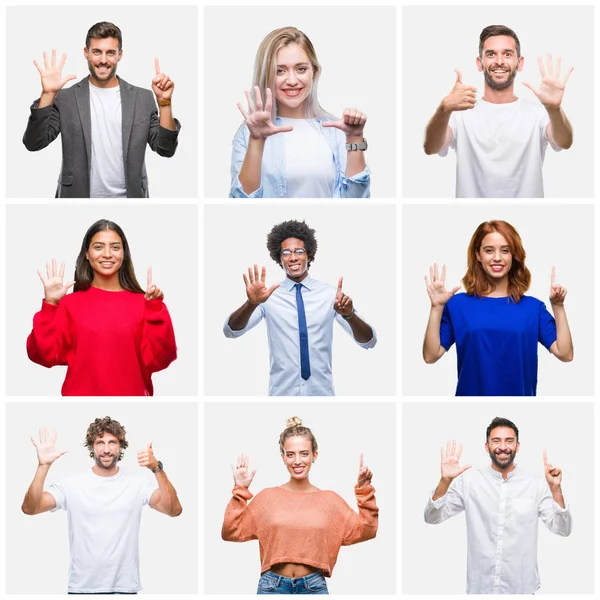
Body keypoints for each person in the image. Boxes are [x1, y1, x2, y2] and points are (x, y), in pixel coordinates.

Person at [22, 417, 182, 594]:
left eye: (112, 442)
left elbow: (173, 510)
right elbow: (31, 508)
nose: (106, 450)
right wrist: (43, 466)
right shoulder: (72, 485)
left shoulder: (137, 484)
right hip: (82, 589)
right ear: (92, 446)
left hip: (125, 588)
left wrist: (156, 469)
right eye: (100, 442)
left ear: (120, 445)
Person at [23, 21, 181, 198]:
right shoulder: (66, 98)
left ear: (119, 55)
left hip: (131, 200)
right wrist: (48, 94)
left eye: (110, 53)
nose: (103, 60)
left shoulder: (142, 98)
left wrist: (165, 103)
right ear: (86, 53)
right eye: (97, 52)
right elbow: (34, 143)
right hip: (77, 199)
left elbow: (166, 149)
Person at [222, 416, 378, 594]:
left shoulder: (330, 501)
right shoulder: (267, 498)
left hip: (313, 587)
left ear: (314, 455)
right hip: (271, 586)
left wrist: (364, 489)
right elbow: (230, 531)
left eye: (304, 453)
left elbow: (367, 530)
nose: (297, 461)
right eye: (290, 454)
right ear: (283, 457)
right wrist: (240, 489)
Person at [223, 219, 376, 395]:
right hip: (281, 394)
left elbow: (369, 341)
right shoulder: (268, 297)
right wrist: (252, 303)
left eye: (299, 251)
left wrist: (350, 316)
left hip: (322, 394)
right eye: (286, 252)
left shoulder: (330, 295)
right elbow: (231, 331)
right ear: (279, 259)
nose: (293, 257)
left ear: (309, 255)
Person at [27, 219, 177, 396]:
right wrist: (50, 304)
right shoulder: (70, 304)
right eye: (98, 247)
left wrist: (154, 308)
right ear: (87, 254)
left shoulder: (145, 304)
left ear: (124, 253)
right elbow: (44, 355)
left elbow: (161, 359)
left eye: (115, 247)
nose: (107, 254)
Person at [423, 220, 573, 395]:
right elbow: (430, 356)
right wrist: (436, 308)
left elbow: (565, 353)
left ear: (514, 256)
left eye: (505, 250)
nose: (497, 257)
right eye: (489, 250)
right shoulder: (458, 305)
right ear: (478, 255)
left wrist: (558, 307)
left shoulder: (533, 308)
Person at [424, 417, 572, 594]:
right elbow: (431, 517)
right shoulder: (469, 482)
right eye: (496, 441)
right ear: (487, 447)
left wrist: (556, 490)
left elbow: (563, 529)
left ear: (517, 446)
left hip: (522, 590)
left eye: (509, 441)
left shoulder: (536, 485)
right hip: (480, 589)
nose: (503, 447)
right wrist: (445, 481)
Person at [423, 24, 573, 198]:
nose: (499, 61)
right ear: (480, 63)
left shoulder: (538, 114)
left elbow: (564, 142)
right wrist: (443, 109)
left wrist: (554, 109)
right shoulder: (460, 114)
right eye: (491, 54)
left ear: (520, 62)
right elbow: (431, 147)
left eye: (507, 54)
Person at [230, 26, 370, 198]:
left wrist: (355, 138)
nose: (292, 80)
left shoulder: (336, 131)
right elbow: (243, 202)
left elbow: (356, 201)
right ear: (266, 74)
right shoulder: (247, 134)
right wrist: (256, 141)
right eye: (279, 71)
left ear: (314, 72)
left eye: (301, 69)